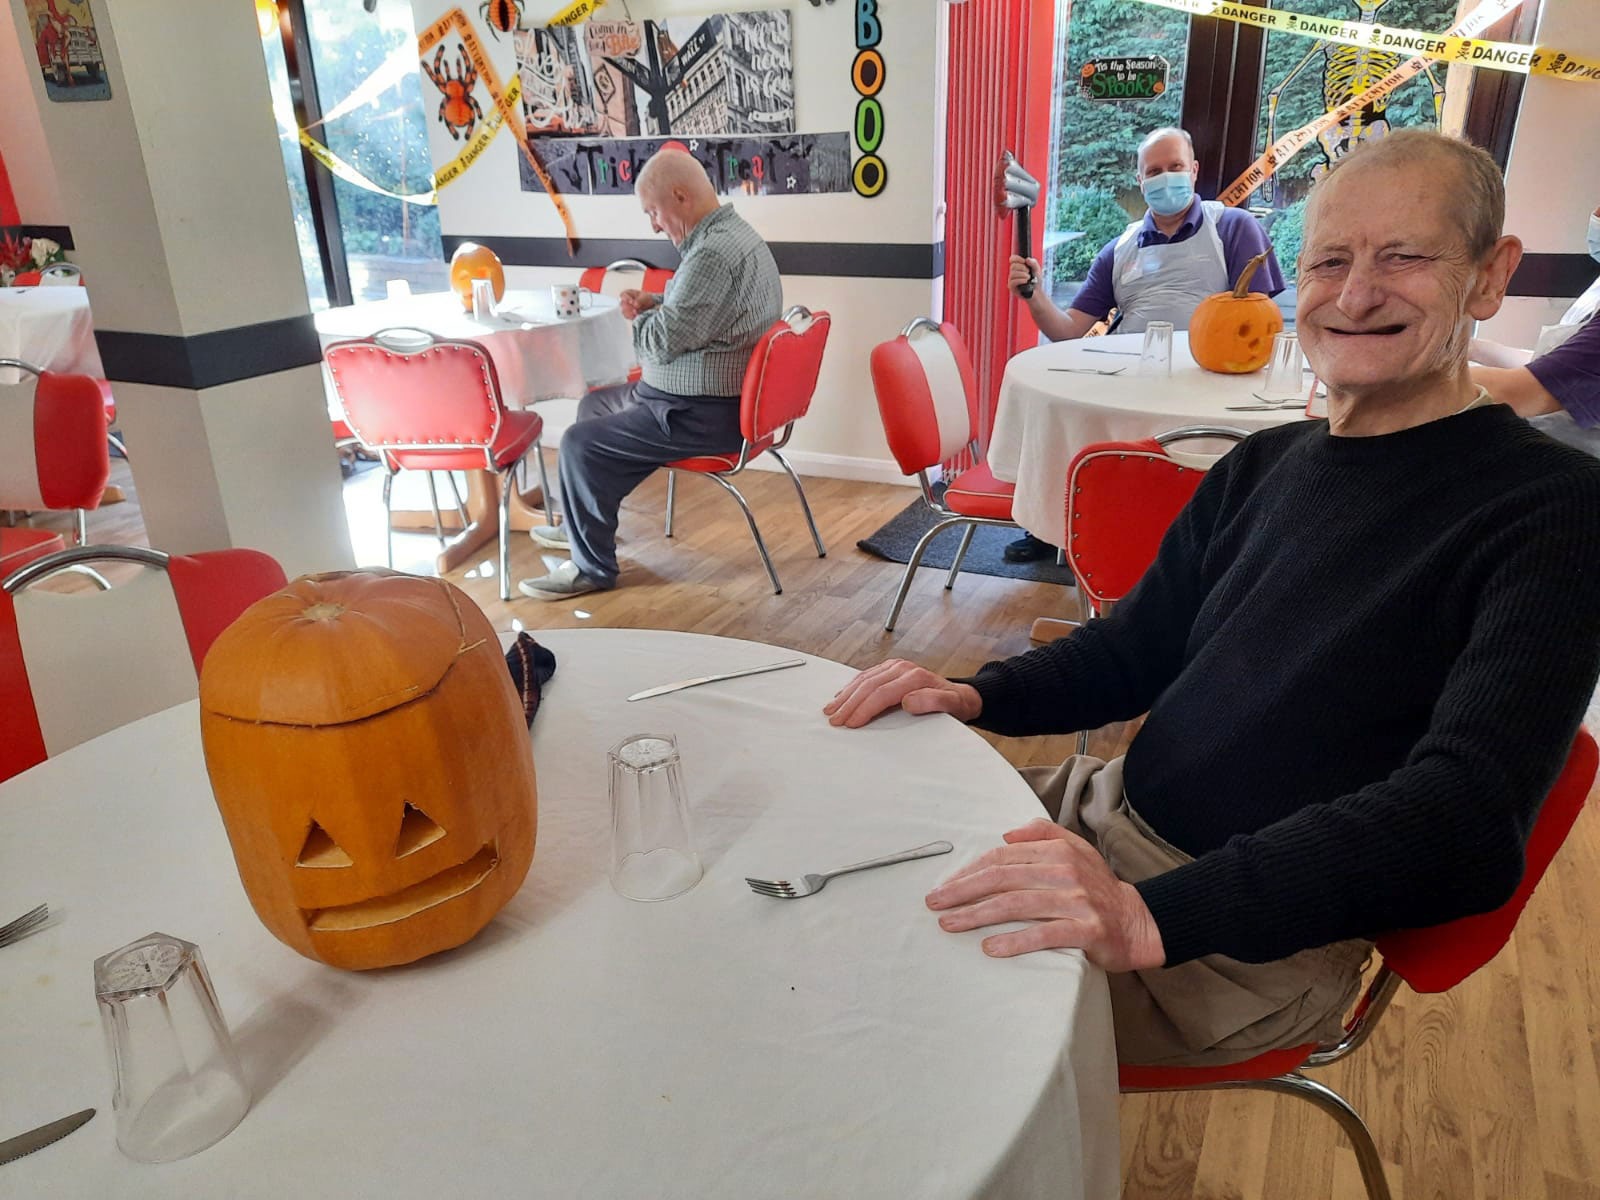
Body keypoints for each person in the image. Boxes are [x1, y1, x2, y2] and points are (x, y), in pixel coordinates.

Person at [824, 130, 1600, 1068]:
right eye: (1331, 262)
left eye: (1405, 257)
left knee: (861, 1013)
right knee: (830, 856)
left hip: (1236, 944)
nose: (1356, 295)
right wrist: (974, 694)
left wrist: (1149, 916)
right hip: (1102, 818)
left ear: (1489, 275)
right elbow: (1133, 651)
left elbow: (1466, 822)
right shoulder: (1266, 463)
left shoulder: (1550, 508)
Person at [1000, 126, 1287, 564]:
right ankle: (1055, 524)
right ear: (1139, 180)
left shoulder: (1234, 228)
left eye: (1175, 167)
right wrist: (1034, 294)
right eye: (1154, 171)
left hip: (1212, 379)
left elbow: (1258, 319)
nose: (1165, 177)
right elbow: (1068, 331)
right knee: (1076, 420)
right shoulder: (1118, 249)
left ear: (1194, 170)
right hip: (1131, 377)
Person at [517, 150, 782, 600]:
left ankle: (591, 568)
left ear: (680, 196)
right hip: (708, 403)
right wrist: (657, 303)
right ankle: (586, 529)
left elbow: (660, 343)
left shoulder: (712, 254)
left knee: (579, 444)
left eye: (653, 212)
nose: (654, 226)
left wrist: (641, 318)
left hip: (698, 415)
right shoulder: (733, 236)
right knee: (594, 405)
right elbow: (707, 314)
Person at [1469, 201, 1600, 454]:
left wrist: (1403, 383)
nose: (1596, 216)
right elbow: (1559, 366)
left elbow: (1520, 390)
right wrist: (1474, 348)